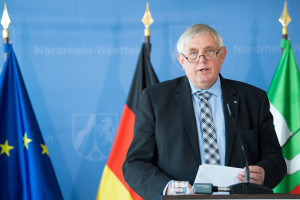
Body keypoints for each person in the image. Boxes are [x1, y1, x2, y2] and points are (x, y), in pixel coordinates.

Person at [122, 24, 286, 200]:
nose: (202, 59)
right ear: (181, 60)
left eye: (209, 51)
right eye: (193, 53)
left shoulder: (253, 99)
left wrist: (263, 174)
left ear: (222, 55)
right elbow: (135, 164)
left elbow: (275, 160)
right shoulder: (155, 99)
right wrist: (170, 189)